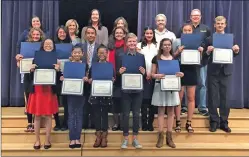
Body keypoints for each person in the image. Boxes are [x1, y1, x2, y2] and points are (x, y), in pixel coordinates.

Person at [203, 16, 239, 133]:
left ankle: (224, 122)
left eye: (222, 23)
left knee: (225, 99)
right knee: (213, 98)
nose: (220, 25)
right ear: (214, 25)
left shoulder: (231, 38)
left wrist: (236, 51)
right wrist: (208, 51)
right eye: (218, 23)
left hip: (226, 72)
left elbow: (234, 54)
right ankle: (214, 122)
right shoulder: (209, 39)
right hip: (213, 72)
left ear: (225, 25)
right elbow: (204, 56)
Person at [177, 9, 211, 116]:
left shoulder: (206, 29)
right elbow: (179, 41)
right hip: (187, 63)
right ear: (190, 17)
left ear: (201, 17)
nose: (196, 17)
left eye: (198, 15)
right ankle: (185, 107)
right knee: (186, 84)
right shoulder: (184, 28)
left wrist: (204, 49)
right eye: (193, 15)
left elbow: (209, 43)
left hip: (201, 62)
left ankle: (202, 107)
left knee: (202, 84)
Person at [27, 38, 60, 150]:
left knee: (48, 116)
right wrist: (31, 70)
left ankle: (47, 140)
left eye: (50, 44)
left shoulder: (56, 59)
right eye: (46, 44)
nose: (48, 46)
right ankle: (37, 140)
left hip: (49, 90)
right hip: (38, 90)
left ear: (53, 46)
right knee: (37, 116)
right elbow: (30, 78)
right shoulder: (36, 58)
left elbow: (59, 79)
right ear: (42, 45)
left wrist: (58, 70)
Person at [151, 38, 184, 148]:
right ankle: (160, 136)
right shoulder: (156, 58)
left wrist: (180, 74)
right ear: (161, 46)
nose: (167, 46)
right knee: (161, 111)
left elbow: (177, 73)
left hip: (172, 87)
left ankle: (169, 136)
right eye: (165, 45)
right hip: (160, 86)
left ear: (171, 46)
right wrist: (157, 75)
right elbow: (152, 74)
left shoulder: (174, 59)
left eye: (169, 45)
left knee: (171, 111)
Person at [116, 33, 146, 149]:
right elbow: (117, 74)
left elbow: (144, 73)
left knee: (136, 114)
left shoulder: (141, 56)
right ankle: (125, 139)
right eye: (130, 41)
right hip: (125, 90)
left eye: (134, 41)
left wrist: (144, 73)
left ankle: (135, 139)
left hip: (138, 90)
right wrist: (120, 72)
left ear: (136, 42)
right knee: (125, 114)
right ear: (126, 43)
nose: (132, 43)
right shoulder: (121, 55)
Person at [173, 23, 204, 133]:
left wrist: (201, 52)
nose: (187, 32)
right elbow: (171, 57)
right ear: (182, 32)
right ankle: (177, 122)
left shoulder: (197, 42)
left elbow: (199, 60)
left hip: (192, 70)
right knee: (179, 98)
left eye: (189, 30)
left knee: (191, 97)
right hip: (180, 69)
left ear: (192, 31)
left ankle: (189, 122)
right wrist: (178, 51)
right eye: (185, 30)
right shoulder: (177, 41)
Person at [15, 27, 45, 132]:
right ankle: (29, 123)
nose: (36, 36)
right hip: (28, 76)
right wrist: (18, 60)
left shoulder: (44, 47)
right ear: (31, 35)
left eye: (38, 35)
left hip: (40, 76)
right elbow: (19, 65)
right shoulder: (25, 47)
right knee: (29, 99)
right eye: (34, 34)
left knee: (38, 98)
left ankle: (39, 121)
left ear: (41, 35)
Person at [60, 45, 88, 148]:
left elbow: (88, 77)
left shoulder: (85, 65)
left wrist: (86, 78)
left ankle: (78, 138)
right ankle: (72, 138)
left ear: (82, 54)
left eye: (79, 52)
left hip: (81, 93)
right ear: (72, 53)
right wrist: (62, 78)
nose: (77, 54)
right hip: (70, 93)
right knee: (71, 115)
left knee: (79, 115)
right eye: (75, 52)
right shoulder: (67, 65)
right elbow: (63, 76)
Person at [88, 45, 114, 148]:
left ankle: (104, 136)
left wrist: (113, 80)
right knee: (97, 115)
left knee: (104, 115)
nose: (101, 54)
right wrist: (90, 80)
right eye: (99, 52)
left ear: (107, 53)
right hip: (95, 94)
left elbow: (113, 78)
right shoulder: (93, 66)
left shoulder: (110, 66)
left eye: (103, 52)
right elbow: (90, 78)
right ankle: (98, 135)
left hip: (106, 94)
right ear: (97, 54)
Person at [137, 26, 157, 131]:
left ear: (153, 35)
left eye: (151, 33)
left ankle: (151, 123)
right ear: (144, 34)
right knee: (144, 101)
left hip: (154, 76)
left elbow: (158, 61)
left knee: (153, 101)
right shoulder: (139, 46)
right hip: (142, 76)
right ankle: (144, 123)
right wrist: (145, 72)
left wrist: (152, 73)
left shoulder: (157, 46)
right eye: (147, 33)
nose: (149, 35)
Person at [107, 26, 127, 131]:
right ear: (114, 35)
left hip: (125, 78)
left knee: (124, 101)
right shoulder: (110, 47)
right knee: (114, 101)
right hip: (113, 78)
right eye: (117, 33)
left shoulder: (127, 47)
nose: (118, 34)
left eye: (121, 33)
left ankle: (123, 123)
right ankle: (116, 123)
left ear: (124, 34)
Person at [53, 25, 71, 131]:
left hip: (66, 76)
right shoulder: (52, 46)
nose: (62, 34)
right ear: (57, 34)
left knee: (66, 102)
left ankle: (65, 123)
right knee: (55, 100)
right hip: (55, 76)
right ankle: (57, 123)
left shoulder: (71, 46)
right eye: (60, 32)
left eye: (64, 32)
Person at [82, 26, 99, 129]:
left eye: (92, 33)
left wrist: (94, 77)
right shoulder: (80, 47)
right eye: (88, 33)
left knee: (94, 104)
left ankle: (93, 124)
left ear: (95, 35)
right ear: (85, 35)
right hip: (83, 79)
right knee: (84, 104)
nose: (90, 35)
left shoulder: (100, 47)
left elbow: (101, 65)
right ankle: (84, 124)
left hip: (94, 79)